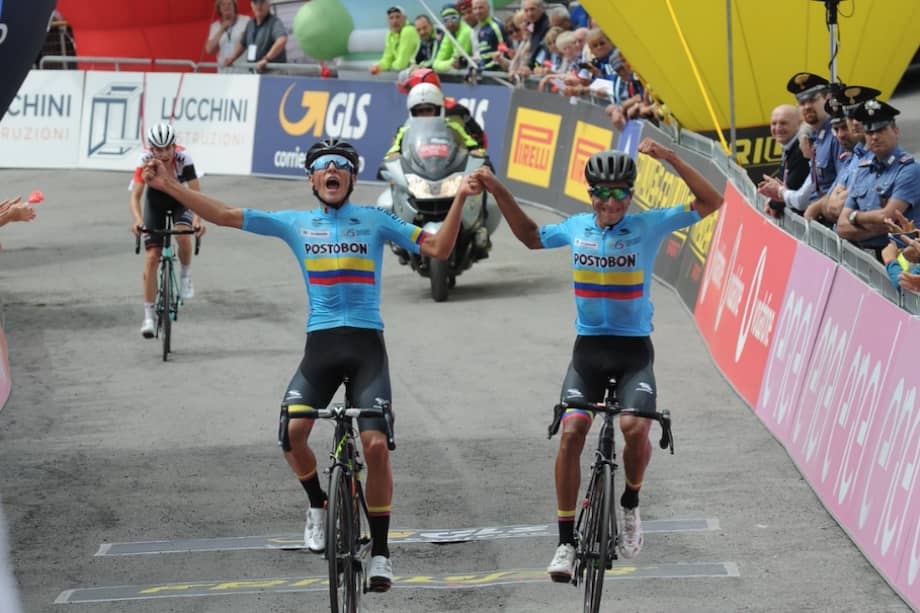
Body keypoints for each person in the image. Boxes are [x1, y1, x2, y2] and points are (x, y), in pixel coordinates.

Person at [141, 137, 478, 592]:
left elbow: (437, 247)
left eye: (341, 165)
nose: (332, 170)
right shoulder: (295, 223)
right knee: (292, 433)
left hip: (365, 348)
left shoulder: (375, 221)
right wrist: (170, 186)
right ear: (312, 179)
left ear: (352, 178)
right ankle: (318, 502)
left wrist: (459, 198)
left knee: (376, 446)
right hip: (320, 347)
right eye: (323, 166)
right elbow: (223, 214)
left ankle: (380, 552)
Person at [467, 138, 723, 582]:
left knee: (634, 426)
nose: (610, 202)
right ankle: (565, 542)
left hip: (632, 351)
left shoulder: (648, 225)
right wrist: (495, 186)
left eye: (619, 192)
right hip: (588, 350)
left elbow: (711, 200)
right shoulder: (576, 226)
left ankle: (630, 503)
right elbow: (529, 236)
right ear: (591, 196)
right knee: (572, 432)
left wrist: (671, 158)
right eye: (602, 193)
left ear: (630, 194)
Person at [130, 123, 205, 338]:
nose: (163, 154)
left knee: (182, 234)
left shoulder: (185, 158)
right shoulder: (144, 160)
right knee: (152, 257)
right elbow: (135, 196)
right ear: (151, 149)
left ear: (174, 146)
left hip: (181, 199)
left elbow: (196, 194)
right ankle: (148, 317)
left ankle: (185, 273)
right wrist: (137, 220)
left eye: (167, 149)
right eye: (158, 149)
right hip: (156, 202)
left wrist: (198, 220)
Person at [837, 100, 920, 259]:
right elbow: (841, 226)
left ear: (895, 131)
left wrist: (855, 217)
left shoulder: (910, 169)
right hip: (864, 258)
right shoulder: (863, 169)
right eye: (869, 132)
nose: (874, 137)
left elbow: (886, 218)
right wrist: (872, 223)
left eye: (881, 130)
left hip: (900, 258)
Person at [396, 67, 487, 149]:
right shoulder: (437, 106)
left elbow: (459, 145)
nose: (410, 94)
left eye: (411, 89)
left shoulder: (452, 112)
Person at [385, 82, 482, 157]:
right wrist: (393, 157)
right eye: (420, 111)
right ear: (413, 113)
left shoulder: (453, 127)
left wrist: (477, 153)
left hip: (449, 175)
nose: (424, 114)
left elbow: (474, 146)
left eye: (428, 110)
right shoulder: (404, 130)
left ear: (438, 110)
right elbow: (392, 152)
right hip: (415, 177)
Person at [756, 104, 806, 218]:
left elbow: (792, 186)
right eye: (774, 123)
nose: (777, 128)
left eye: (783, 123)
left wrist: (772, 203)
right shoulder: (789, 147)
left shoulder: (802, 149)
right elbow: (783, 183)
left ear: (799, 125)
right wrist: (771, 191)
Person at [222, 0, 286, 73]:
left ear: (269, 5)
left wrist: (266, 59)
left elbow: (282, 40)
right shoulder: (250, 23)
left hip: (273, 72)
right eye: (255, 3)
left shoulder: (275, 22)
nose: (259, 6)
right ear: (252, 5)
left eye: (262, 2)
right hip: (255, 72)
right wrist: (232, 58)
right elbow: (243, 43)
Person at [370, 6, 420, 74]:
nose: (394, 21)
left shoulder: (408, 31)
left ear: (405, 18)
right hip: (404, 73)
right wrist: (378, 66)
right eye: (391, 18)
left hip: (418, 71)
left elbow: (402, 64)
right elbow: (387, 58)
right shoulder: (390, 35)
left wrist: (389, 66)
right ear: (388, 21)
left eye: (398, 17)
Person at [204, 0, 250, 72]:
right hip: (224, 73)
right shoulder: (214, 26)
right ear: (219, 8)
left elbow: (252, 42)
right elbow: (209, 50)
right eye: (223, 4)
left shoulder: (246, 20)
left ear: (234, 6)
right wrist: (221, 30)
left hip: (243, 72)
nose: (226, 7)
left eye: (229, 4)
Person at [431, 4, 473, 72]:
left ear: (460, 18)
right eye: (446, 20)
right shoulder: (449, 33)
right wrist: (450, 64)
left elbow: (457, 62)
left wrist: (445, 64)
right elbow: (436, 63)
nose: (450, 23)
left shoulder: (466, 32)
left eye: (454, 18)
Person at [471, 0, 508, 71]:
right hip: (484, 73)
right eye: (475, 8)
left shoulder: (496, 26)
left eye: (481, 8)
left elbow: (503, 52)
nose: (478, 11)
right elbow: (484, 55)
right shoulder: (480, 28)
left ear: (488, 8)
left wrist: (486, 67)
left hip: (496, 74)